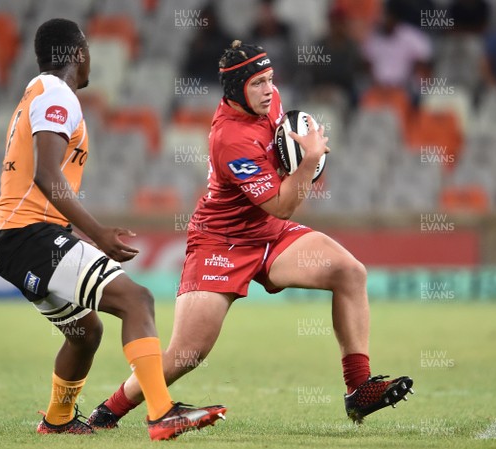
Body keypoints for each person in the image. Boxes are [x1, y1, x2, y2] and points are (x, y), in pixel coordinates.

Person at [87, 40, 414, 428]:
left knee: (350, 272)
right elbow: (282, 204)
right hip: (220, 242)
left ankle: (358, 389)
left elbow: (277, 188)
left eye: (270, 80)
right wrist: (309, 162)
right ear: (236, 88)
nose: (267, 90)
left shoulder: (270, 100)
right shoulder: (229, 139)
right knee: (188, 353)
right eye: (257, 83)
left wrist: (299, 151)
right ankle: (108, 412)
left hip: (269, 235)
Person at [0, 18, 225, 441]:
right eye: (88, 49)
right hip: (28, 235)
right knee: (137, 300)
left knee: (86, 332)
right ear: (78, 54)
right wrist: (96, 234)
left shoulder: (38, 93)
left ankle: (57, 419)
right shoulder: (57, 94)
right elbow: (46, 174)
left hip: (14, 239)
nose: (92, 57)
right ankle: (161, 411)